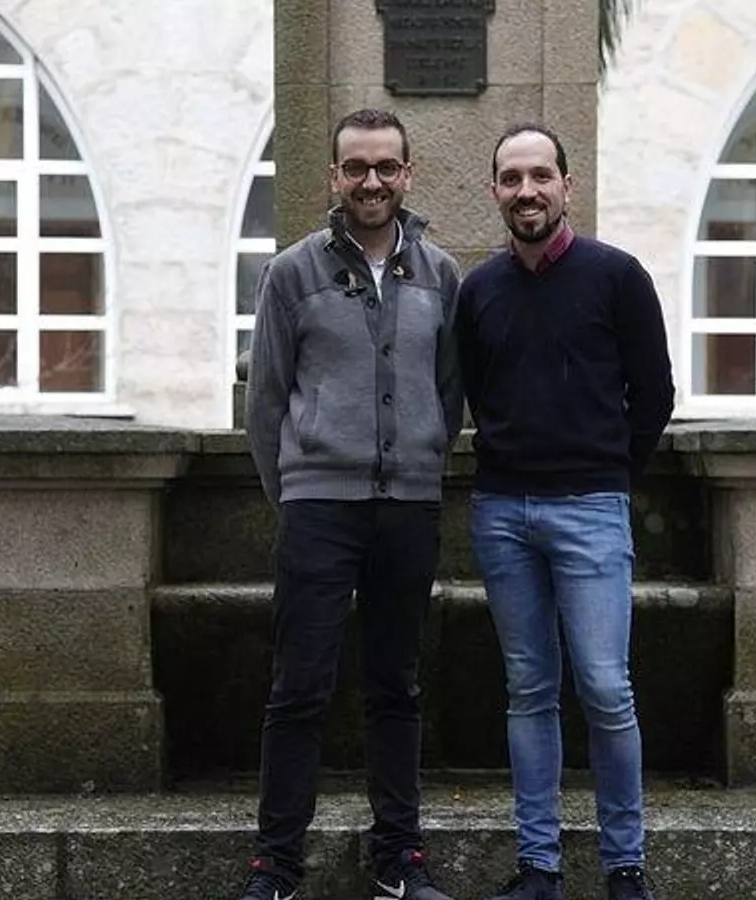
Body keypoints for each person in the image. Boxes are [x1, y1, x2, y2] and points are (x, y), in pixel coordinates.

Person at [240, 108, 463, 900]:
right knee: (299, 687)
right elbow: (266, 401)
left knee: (396, 687)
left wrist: (422, 460)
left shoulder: (440, 275)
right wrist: (296, 492)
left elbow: (449, 392)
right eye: (357, 167)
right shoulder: (291, 273)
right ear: (334, 176)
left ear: (408, 174)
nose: (372, 181)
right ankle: (276, 865)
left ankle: (399, 860)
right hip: (319, 510)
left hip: (408, 508)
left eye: (386, 167)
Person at [454, 123, 675, 900]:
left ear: (566, 186)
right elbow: (473, 391)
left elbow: (655, 394)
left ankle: (624, 865)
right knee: (529, 690)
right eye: (512, 178)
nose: (527, 191)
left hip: (590, 509)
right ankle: (539, 867)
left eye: (540, 176)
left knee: (607, 689)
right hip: (503, 514)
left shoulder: (617, 277)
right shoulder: (479, 291)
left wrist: (607, 474)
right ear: (495, 192)